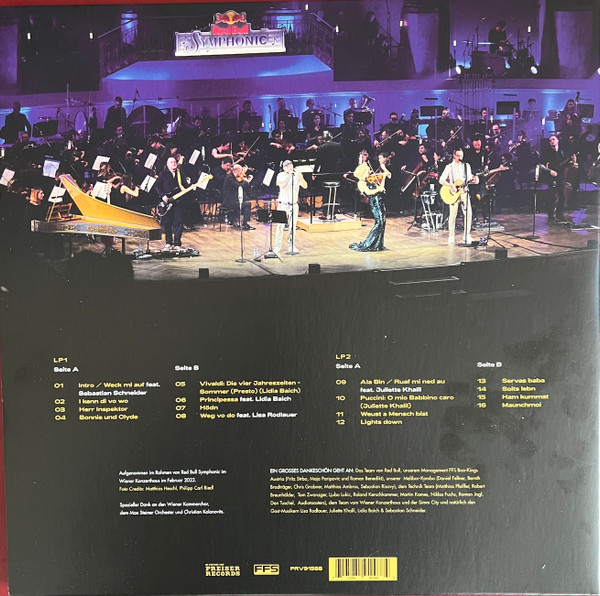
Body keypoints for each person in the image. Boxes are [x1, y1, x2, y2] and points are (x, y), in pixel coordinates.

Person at [349, 151, 390, 252]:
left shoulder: (370, 180)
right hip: (375, 202)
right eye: (366, 171)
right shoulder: (361, 183)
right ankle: (369, 243)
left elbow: (387, 177)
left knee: (383, 222)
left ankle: (378, 244)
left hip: (379, 200)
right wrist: (379, 189)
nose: (369, 172)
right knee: (379, 222)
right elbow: (369, 192)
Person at [439, 148, 479, 244]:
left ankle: (467, 235)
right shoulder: (449, 167)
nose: (460, 157)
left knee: (468, 214)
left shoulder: (466, 166)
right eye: (458, 155)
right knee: (453, 215)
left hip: (464, 192)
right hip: (454, 193)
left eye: (461, 155)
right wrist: (450, 185)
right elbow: (441, 180)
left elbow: (469, 179)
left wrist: (475, 180)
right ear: (454, 156)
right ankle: (451, 236)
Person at [154, 155, 193, 250]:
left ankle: (177, 243)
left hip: (178, 201)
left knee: (178, 222)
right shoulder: (163, 174)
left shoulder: (180, 173)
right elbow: (157, 186)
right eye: (171, 162)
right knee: (167, 223)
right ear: (167, 165)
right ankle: (168, 242)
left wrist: (192, 187)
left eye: (175, 162)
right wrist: (163, 196)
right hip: (167, 202)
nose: (174, 163)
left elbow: (185, 186)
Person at [274, 160, 308, 256]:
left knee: (292, 227)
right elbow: (282, 185)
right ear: (284, 168)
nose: (289, 167)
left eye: (290, 165)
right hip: (283, 205)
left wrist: (301, 178)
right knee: (280, 227)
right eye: (287, 166)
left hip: (293, 205)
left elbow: (305, 186)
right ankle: (277, 247)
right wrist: (289, 176)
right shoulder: (280, 175)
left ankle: (291, 245)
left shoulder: (296, 175)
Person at [222, 163, 255, 230]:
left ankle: (239, 221)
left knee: (245, 201)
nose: (242, 173)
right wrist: (247, 181)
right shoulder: (229, 178)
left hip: (234, 200)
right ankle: (245, 223)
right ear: (237, 171)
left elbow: (242, 185)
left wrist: (247, 181)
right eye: (241, 171)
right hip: (229, 202)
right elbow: (239, 186)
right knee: (247, 204)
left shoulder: (233, 177)